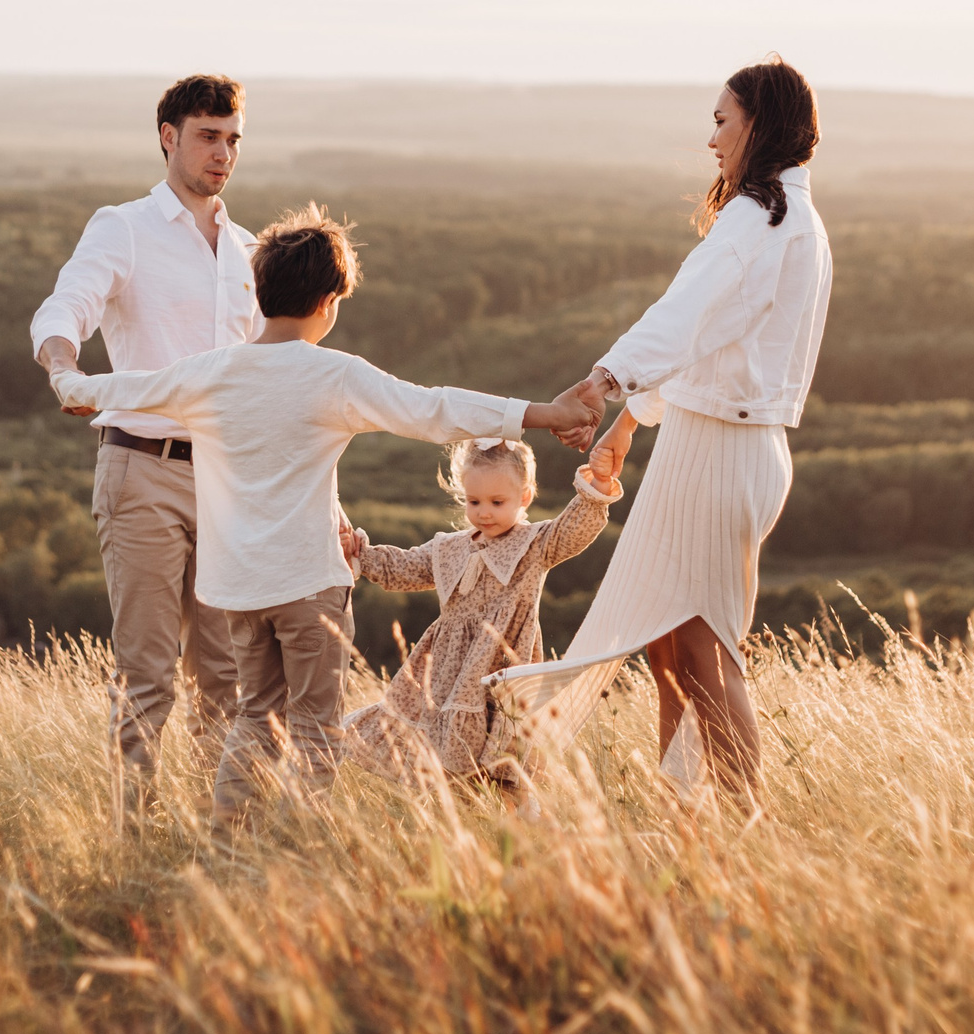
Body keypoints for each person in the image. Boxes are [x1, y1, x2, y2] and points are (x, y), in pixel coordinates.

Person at [51, 205, 598, 825]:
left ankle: (229, 841)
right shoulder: (334, 376)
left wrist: (69, 380)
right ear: (329, 303)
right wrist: (544, 415)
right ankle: (295, 850)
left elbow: (116, 389)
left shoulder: (208, 373)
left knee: (254, 715)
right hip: (310, 584)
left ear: (260, 295)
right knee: (316, 729)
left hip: (238, 591)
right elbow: (434, 410)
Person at [490, 56, 831, 804]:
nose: (712, 140)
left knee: (705, 646)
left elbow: (683, 318)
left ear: (760, 125)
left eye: (721, 121)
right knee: (674, 647)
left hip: (720, 450)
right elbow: (714, 342)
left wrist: (604, 381)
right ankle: (686, 809)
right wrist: (626, 426)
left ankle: (740, 819)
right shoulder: (793, 218)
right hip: (730, 445)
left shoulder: (759, 217)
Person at [31, 73, 258, 813]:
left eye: (232, 139)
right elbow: (69, 303)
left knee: (226, 673)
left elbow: (266, 375)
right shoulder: (123, 226)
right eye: (207, 136)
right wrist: (65, 366)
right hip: (143, 469)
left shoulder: (248, 252)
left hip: (227, 483)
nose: (222, 152)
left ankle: (217, 833)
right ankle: (137, 833)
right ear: (169, 135)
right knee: (150, 672)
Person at [341, 437, 624, 802]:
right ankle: (459, 827)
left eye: (497, 502)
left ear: (524, 497)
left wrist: (597, 485)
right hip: (448, 670)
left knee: (503, 762)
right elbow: (406, 567)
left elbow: (574, 529)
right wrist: (362, 554)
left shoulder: (534, 544)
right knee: (450, 761)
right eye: (474, 502)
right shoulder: (449, 548)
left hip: (503, 667)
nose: (484, 512)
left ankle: (516, 832)